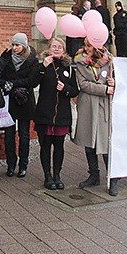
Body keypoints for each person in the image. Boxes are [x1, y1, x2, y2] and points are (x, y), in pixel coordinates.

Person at [73, 40, 119, 196]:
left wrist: (115, 82)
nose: (86, 49)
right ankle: (94, 174)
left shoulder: (110, 61)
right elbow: (83, 84)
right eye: (85, 45)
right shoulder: (80, 62)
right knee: (89, 140)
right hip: (88, 105)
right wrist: (105, 89)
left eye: (89, 45)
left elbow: (119, 82)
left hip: (104, 106)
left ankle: (112, 178)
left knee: (106, 143)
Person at [33, 38, 79, 190]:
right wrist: (42, 67)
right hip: (45, 113)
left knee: (59, 146)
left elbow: (75, 90)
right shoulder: (43, 65)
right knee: (45, 146)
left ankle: (57, 175)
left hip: (62, 115)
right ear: (49, 48)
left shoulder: (69, 67)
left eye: (60, 47)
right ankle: (47, 176)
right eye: (54, 46)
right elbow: (32, 82)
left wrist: (65, 88)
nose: (57, 49)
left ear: (64, 50)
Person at [0, 33, 39, 178]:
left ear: (24, 45)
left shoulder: (32, 59)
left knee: (24, 134)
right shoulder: (7, 58)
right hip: (9, 101)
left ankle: (23, 165)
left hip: (24, 101)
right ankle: (10, 164)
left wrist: (13, 83)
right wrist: (5, 83)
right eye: (13, 45)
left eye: (17, 45)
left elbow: (33, 80)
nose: (14, 48)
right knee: (8, 135)